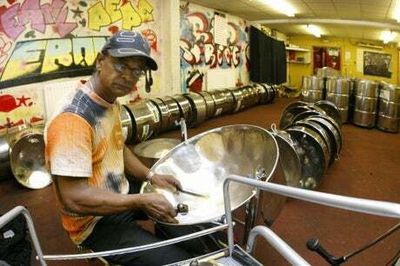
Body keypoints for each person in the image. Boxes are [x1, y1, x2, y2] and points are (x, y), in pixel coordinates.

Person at [44, 30, 192, 265]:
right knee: (179, 262)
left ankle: (167, 234)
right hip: (93, 222)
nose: (128, 77)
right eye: (122, 65)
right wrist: (140, 201)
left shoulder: (110, 101)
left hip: (116, 192)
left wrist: (152, 176)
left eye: (136, 71)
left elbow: (118, 147)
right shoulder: (73, 119)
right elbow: (74, 198)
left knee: (183, 211)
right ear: (101, 61)